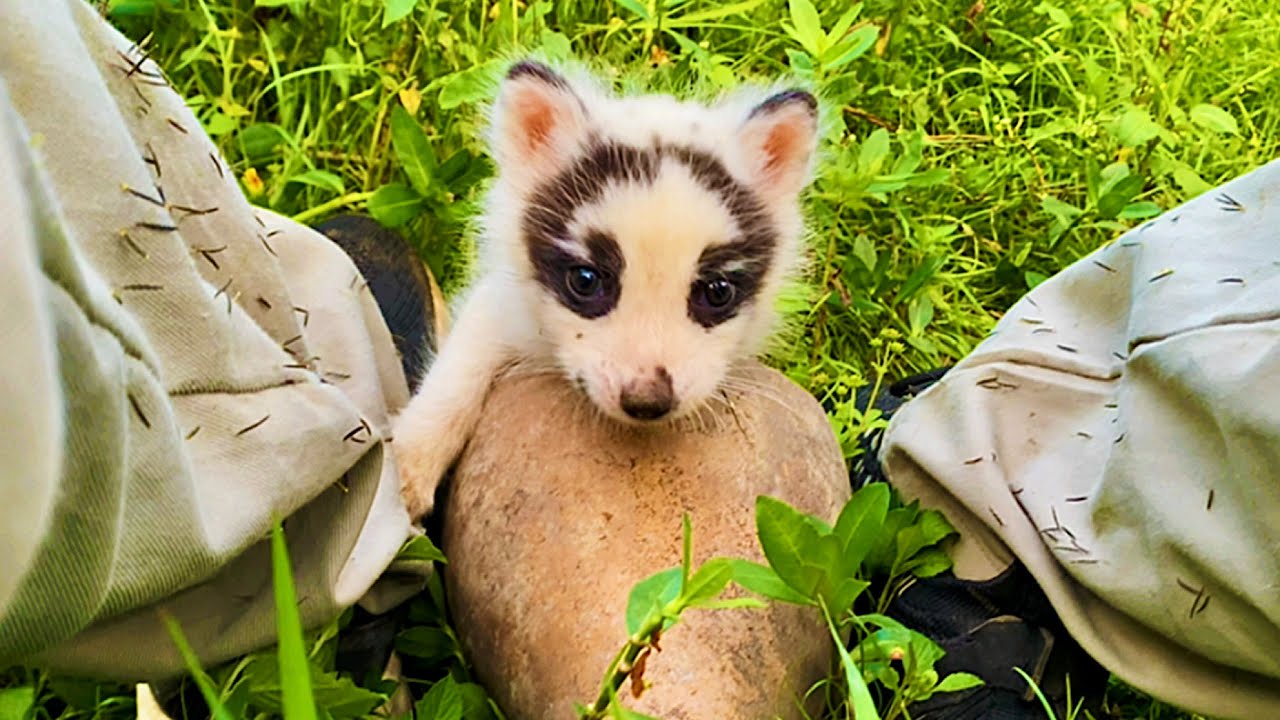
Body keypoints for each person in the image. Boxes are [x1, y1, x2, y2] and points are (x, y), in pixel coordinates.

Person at [2, 1, 1277, 719]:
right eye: (592, 287)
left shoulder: (699, 220)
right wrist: (440, 431)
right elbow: (509, 310)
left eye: (714, 297)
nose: (650, 368)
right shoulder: (540, 226)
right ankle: (297, 491)